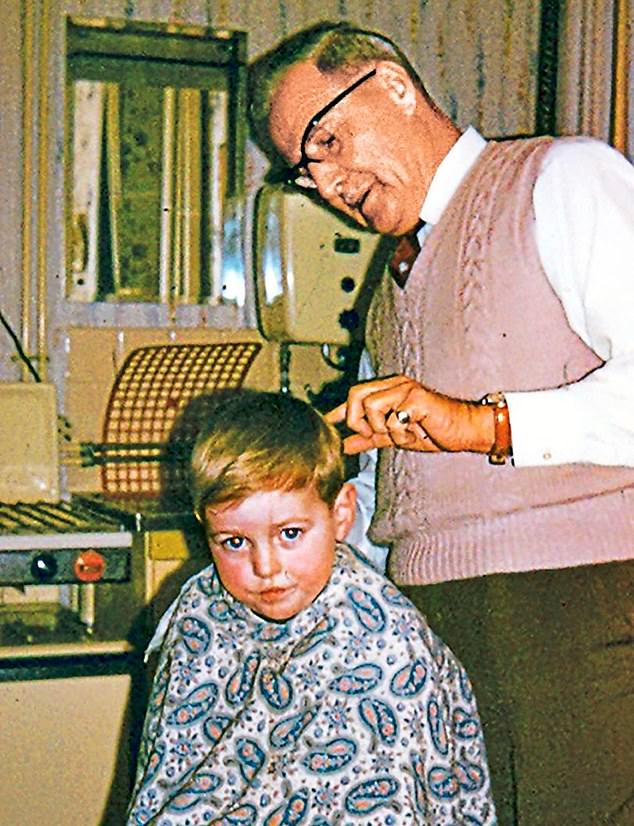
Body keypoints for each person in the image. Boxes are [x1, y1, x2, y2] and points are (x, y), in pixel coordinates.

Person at [248, 21, 634, 826]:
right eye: (303, 169)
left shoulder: (559, 177)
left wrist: (475, 425)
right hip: (430, 626)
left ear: (392, 84)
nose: (325, 182)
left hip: (570, 613)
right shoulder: (389, 285)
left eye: (327, 140)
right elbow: (392, 489)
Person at [126, 389, 496, 825]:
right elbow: (169, 771)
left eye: (289, 534)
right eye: (234, 542)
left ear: (340, 514)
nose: (265, 567)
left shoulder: (384, 641)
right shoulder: (200, 613)